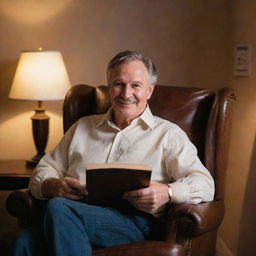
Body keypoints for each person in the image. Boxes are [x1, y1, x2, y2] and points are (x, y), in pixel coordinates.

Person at [13, 50, 214, 256]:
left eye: (136, 85)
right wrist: (51, 185)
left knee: (58, 208)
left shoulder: (169, 134)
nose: (126, 94)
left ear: (149, 91)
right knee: (23, 243)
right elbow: (45, 169)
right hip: (74, 213)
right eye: (118, 84)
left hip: (134, 222)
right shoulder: (82, 127)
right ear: (110, 88)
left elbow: (205, 184)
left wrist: (168, 192)